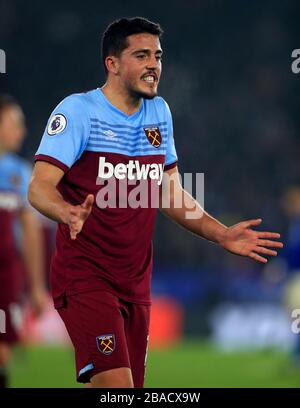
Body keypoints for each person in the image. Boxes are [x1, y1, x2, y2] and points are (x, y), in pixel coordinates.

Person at [28, 17, 283, 388]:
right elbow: (39, 187)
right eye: (142, 55)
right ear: (112, 64)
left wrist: (221, 234)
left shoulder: (159, 113)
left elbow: (167, 192)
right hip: (85, 277)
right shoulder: (78, 112)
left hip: (135, 284)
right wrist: (66, 211)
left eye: (158, 56)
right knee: (118, 388)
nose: (154, 65)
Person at [0, 94, 47, 388]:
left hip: (6, 274)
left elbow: (31, 233)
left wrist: (37, 286)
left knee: (3, 349)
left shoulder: (19, 174)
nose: (22, 131)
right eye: (15, 124)